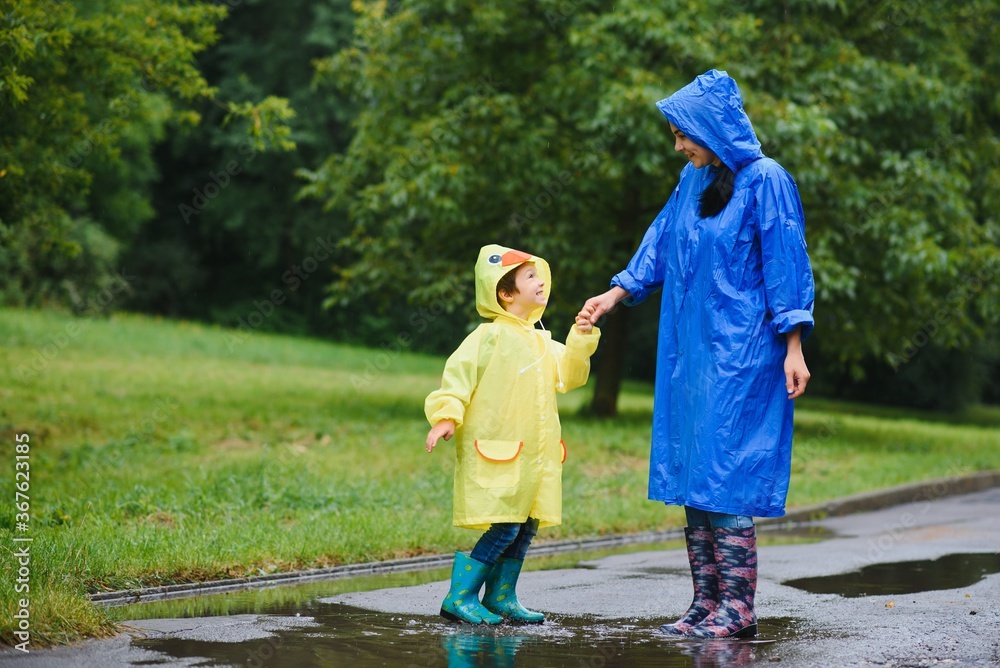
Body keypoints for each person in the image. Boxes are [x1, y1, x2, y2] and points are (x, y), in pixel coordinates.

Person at [580, 69, 815, 639]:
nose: (678, 146)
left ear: (712, 127)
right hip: (691, 353)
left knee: (726, 472)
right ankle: (706, 604)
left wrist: (794, 346)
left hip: (743, 355)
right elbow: (660, 241)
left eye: (683, 134)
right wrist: (615, 294)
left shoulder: (766, 180)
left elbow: (786, 262)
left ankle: (738, 608)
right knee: (695, 471)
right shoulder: (694, 179)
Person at [425, 243, 601, 625]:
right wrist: (446, 416)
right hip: (499, 450)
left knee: (525, 524)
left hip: (534, 457)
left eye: (539, 275)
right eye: (530, 276)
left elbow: (570, 375)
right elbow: (457, 377)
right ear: (505, 293)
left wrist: (580, 337)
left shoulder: (541, 341)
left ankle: (501, 595)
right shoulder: (487, 337)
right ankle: (460, 596)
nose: (540, 282)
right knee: (505, 524)